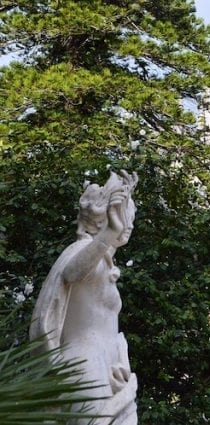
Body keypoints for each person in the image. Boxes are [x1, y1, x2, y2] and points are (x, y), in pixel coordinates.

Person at [30, 171, 139, 425]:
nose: (131, 223)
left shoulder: (104, 262)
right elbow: (71, 273)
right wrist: (109, 234)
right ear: (107, 218)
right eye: (127, 214)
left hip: (111, 366)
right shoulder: (80, 250)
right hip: (83, 362)